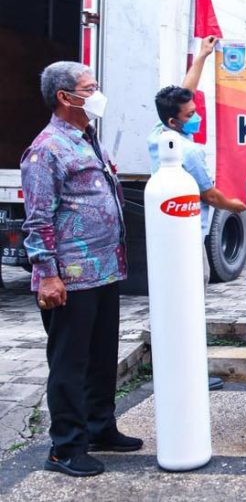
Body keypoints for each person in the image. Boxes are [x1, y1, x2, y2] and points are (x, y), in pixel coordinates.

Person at [21, 62, 143, 477]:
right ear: (65, 97)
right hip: (70, 277)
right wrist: (48, 274)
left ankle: (99, 427)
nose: (98, 93)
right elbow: (37, 219)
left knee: (101, 357)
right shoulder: (47, 149)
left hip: (104, 270)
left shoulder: (88, 140)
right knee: (69, 363)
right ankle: (65, 448)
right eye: (91, 88)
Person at [148, 36, 246, 391]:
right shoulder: (187, 152)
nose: (196, 117)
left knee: (175, 302)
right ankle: (188, 372)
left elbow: (184, 94)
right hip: (190, 237)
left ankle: (177, 369)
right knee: (190, 305)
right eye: (190, 116)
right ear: (175, 122)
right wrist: (242, 205)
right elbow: (212, 195)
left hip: (169, 234)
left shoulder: (158, 134)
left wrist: (202, 57)